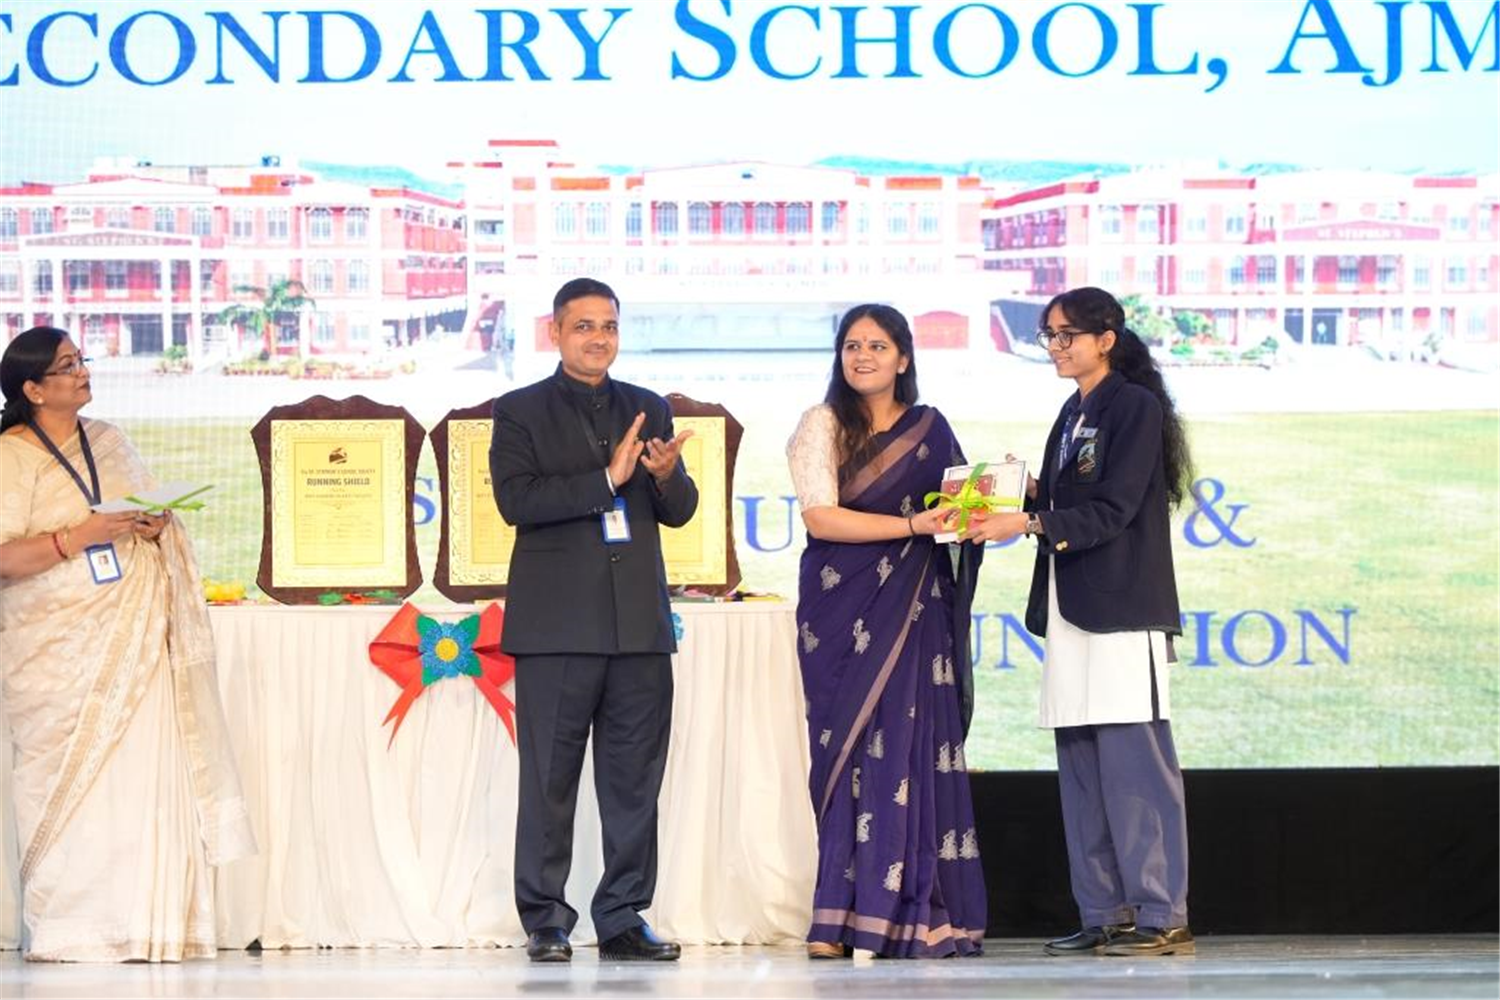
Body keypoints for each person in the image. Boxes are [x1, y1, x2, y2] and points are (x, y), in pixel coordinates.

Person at [0, 327, 254, 962]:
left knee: (139, 775)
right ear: (33, 389)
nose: (82, 371)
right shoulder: (11, 456)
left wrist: (154, 524)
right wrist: (76, 538)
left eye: (81, 360)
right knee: (68, 786)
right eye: (66, 366)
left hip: (133, 634)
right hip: (52, 650)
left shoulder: (109, 439)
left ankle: (148, 923)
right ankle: (71, 930)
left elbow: (149, 514)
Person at [960, 287, 1194, 957]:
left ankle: (1160, 912)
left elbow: (1114, 509)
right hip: (1070, 609)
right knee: (1083, 768)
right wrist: (1027, 492)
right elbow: (1074, 497)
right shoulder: (1072, 411)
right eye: (1050, 336)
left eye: (1067, 335)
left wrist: (1029, 520)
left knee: (1135, 769)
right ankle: (1104, 911)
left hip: (1122, 612)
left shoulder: (1135, 406)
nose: (1056, 347)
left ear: (1106, 339)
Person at [489, 278, 698, 963]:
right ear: (555, 332)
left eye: (608, 326)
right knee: (548, 782)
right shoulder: (519, 411)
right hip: (556, 627)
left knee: (634, 783)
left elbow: (678, 511)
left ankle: (623, 917)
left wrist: (665, 475)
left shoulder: (648, 406)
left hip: (638, 626)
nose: (598, 338)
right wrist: (608, 479)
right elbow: (518, 502)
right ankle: (546, 921)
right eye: (583, 326)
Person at [785, 304, 988, 959]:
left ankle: (908, 912)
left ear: (903, 357)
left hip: (916, 608)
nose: (863, 356)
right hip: (839, 611)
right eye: (852, 345)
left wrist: (1002, 500)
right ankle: (836, 919)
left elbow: (962, 511)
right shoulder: (821, 424)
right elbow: (821, 518)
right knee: (843, 756)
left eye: (877, 345)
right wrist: (910, 527)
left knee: (911, 749)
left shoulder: (931, 428)